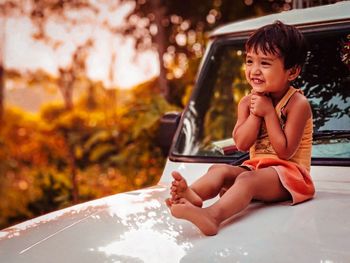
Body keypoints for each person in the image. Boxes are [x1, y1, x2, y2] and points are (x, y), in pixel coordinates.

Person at [165, 20, 315, 236]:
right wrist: (255, 113)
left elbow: (285, 152)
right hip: (257, 170)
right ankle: (191, 194)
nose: (254, 70)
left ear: (291, 72)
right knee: (219, 170)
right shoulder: (247, 103)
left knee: (246, 179)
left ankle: (213, 217)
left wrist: (268, 113)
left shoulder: (297, 103)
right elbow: (242, 143)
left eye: (265, 63)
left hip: (292, 177)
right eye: (249, 61)